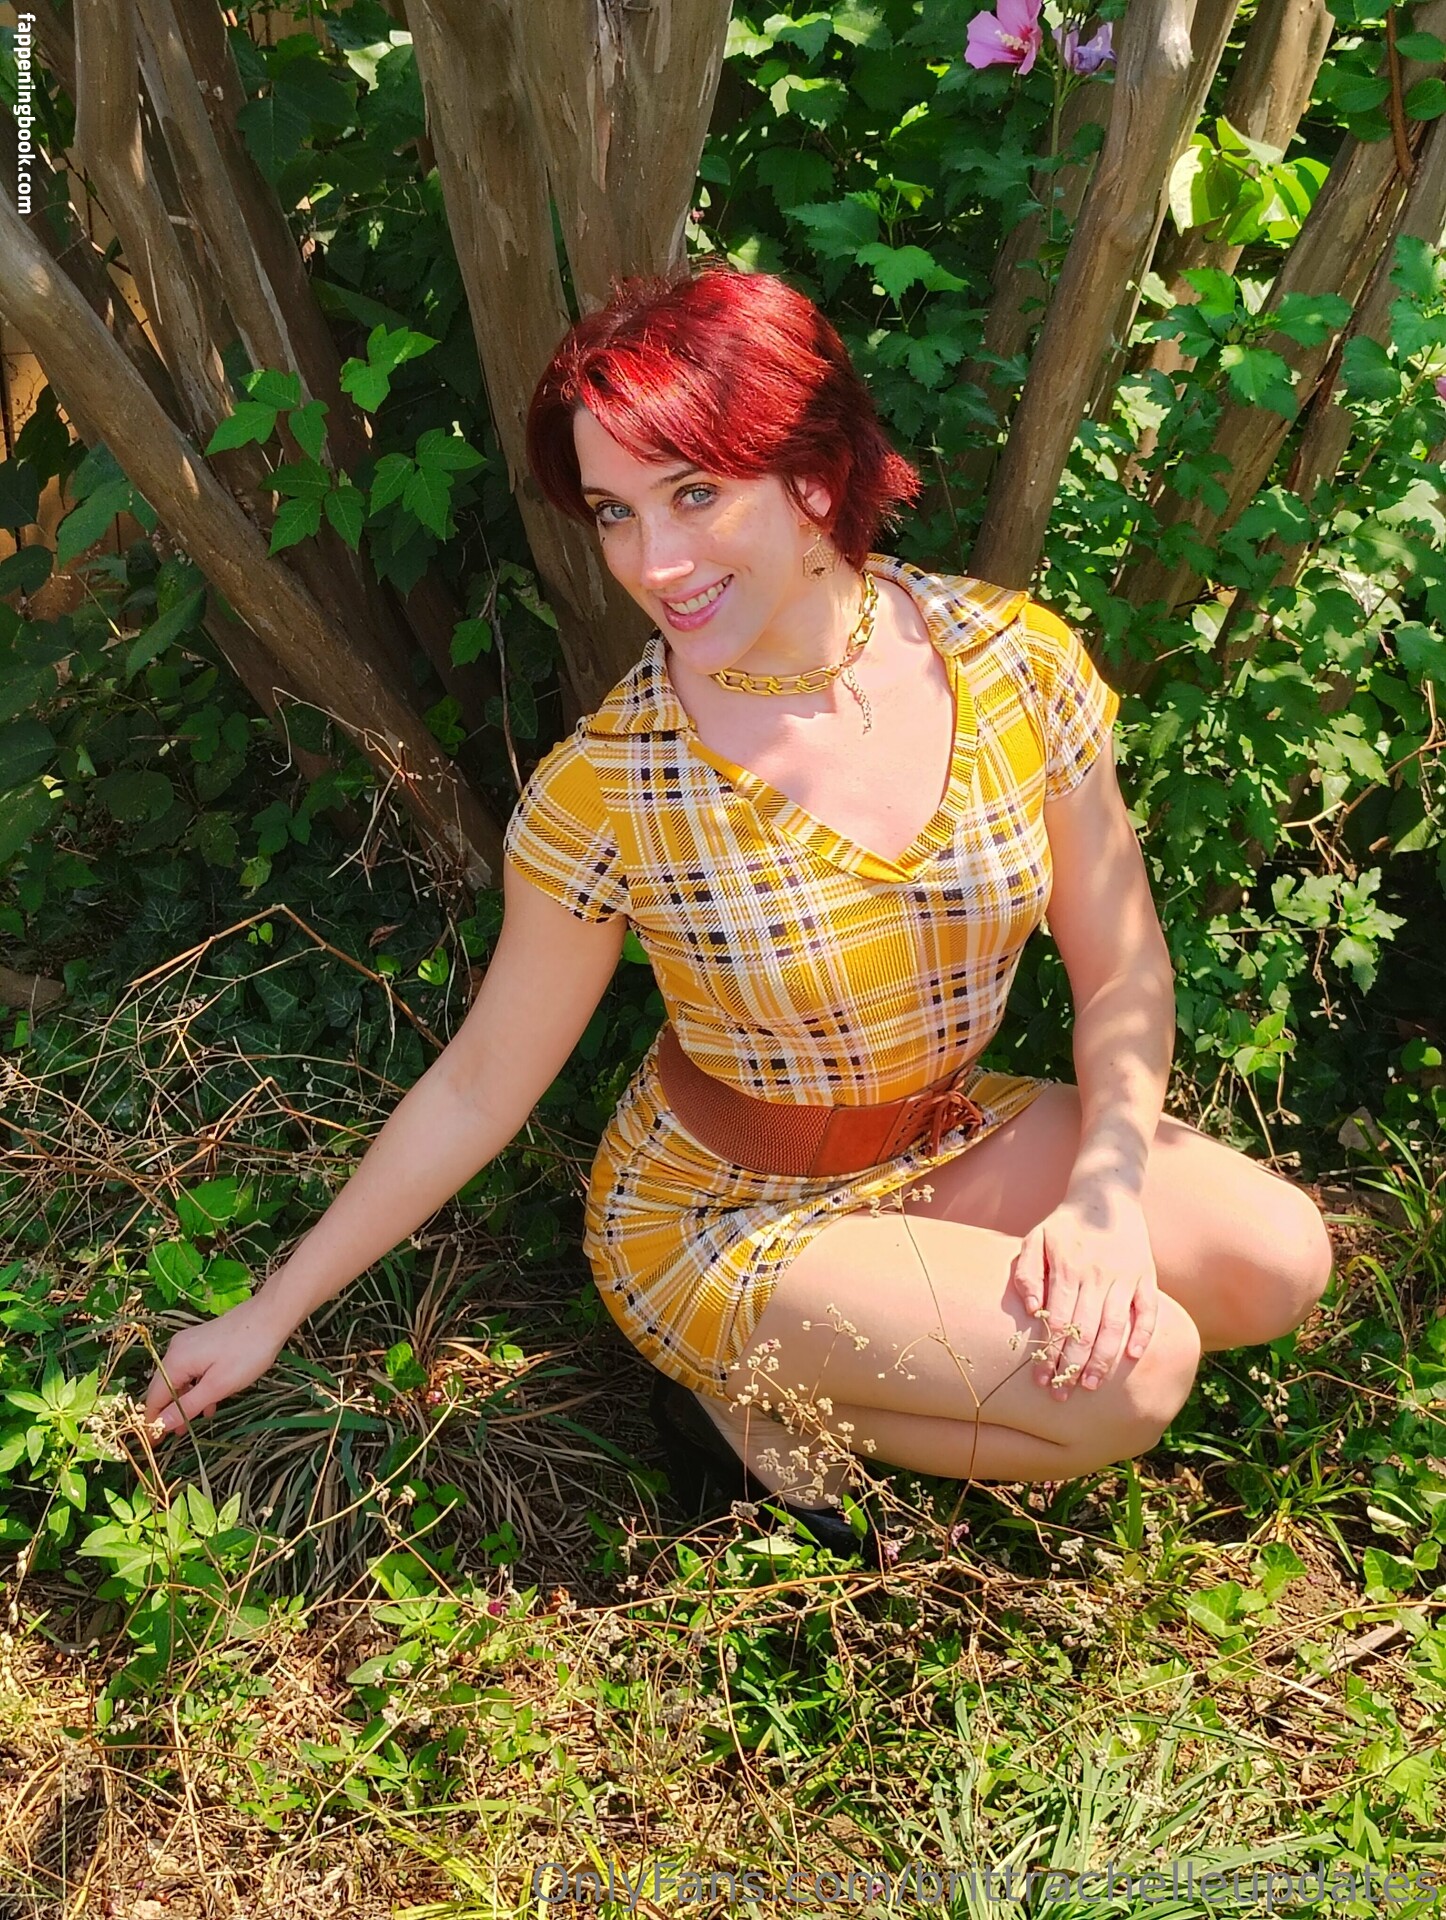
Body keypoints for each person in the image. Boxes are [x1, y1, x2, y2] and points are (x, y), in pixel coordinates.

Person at [144, 265, 1333, 1560]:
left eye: (694, 493)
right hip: (717, 1215)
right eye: (614, 511)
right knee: (1133, 1377)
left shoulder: (1009, 660)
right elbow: (481, 1085)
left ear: (814, 475)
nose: (652, 563)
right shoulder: (612, 786)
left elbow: (1121, 969)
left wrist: (1100, 1197)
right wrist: (268, 1310)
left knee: (1277, 1260)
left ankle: (906, 1304)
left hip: (942, 1135)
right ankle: (735, 1397)